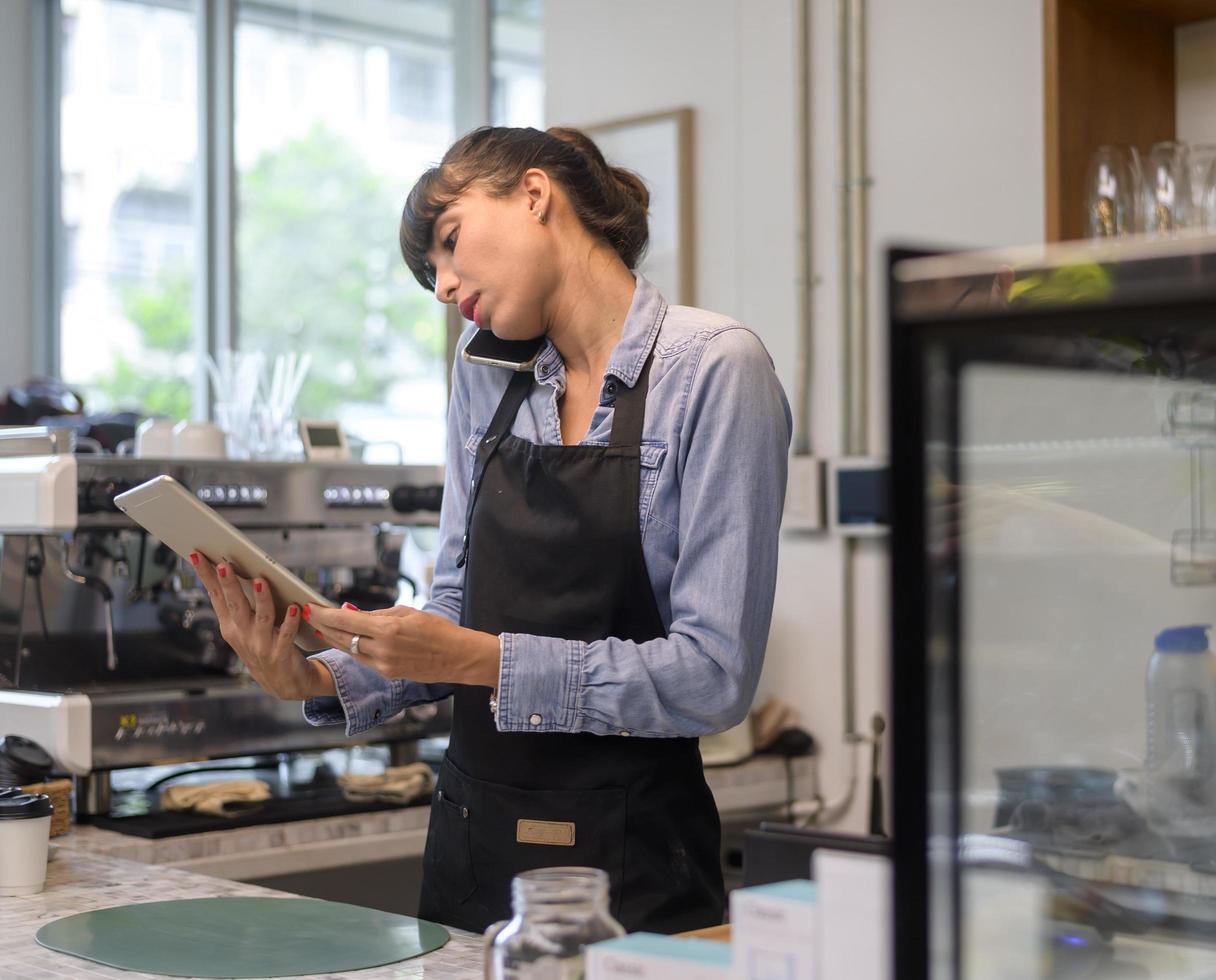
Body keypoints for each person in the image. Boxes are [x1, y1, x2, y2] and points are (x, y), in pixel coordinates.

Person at [191, 125, 792, 935]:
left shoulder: (716, 368)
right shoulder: (482, 372)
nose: (442, 286)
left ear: (535, 195)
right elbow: (454, 598)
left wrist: (479, 658)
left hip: (635, 870)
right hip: (473, 848)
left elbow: (713, 678)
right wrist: (324, 678)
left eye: (447, 244)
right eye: (429, 274)